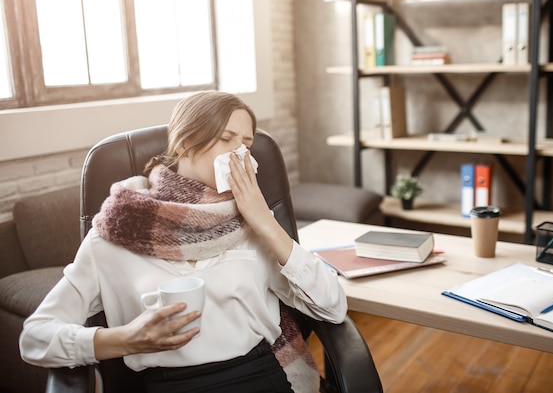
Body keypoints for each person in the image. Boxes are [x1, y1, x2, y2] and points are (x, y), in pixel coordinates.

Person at [19, 90, 348, 393]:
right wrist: (122, 340)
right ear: (183, 144)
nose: (240, 154)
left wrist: (263, 220)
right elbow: (36, 337)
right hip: (169, 384)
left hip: (259, 376)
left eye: (246, 144)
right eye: (226, 139)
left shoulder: (256, 227)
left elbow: (332, 306)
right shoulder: (118, 231)